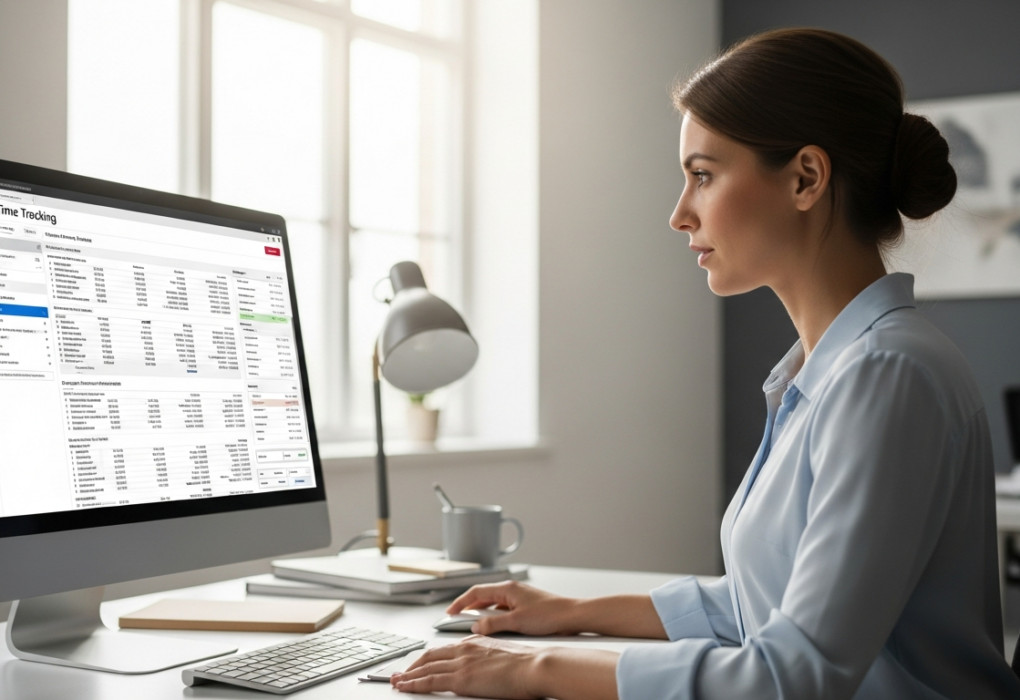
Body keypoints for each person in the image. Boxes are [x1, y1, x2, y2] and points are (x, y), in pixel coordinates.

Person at [390, 28, 1020, 700]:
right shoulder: (827, 372)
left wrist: (534, 669)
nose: (678, 214)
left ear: (806, 177)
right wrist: (569, 614)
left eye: (702, 175)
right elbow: (761, 604)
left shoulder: (889, 376)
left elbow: (790, 674)